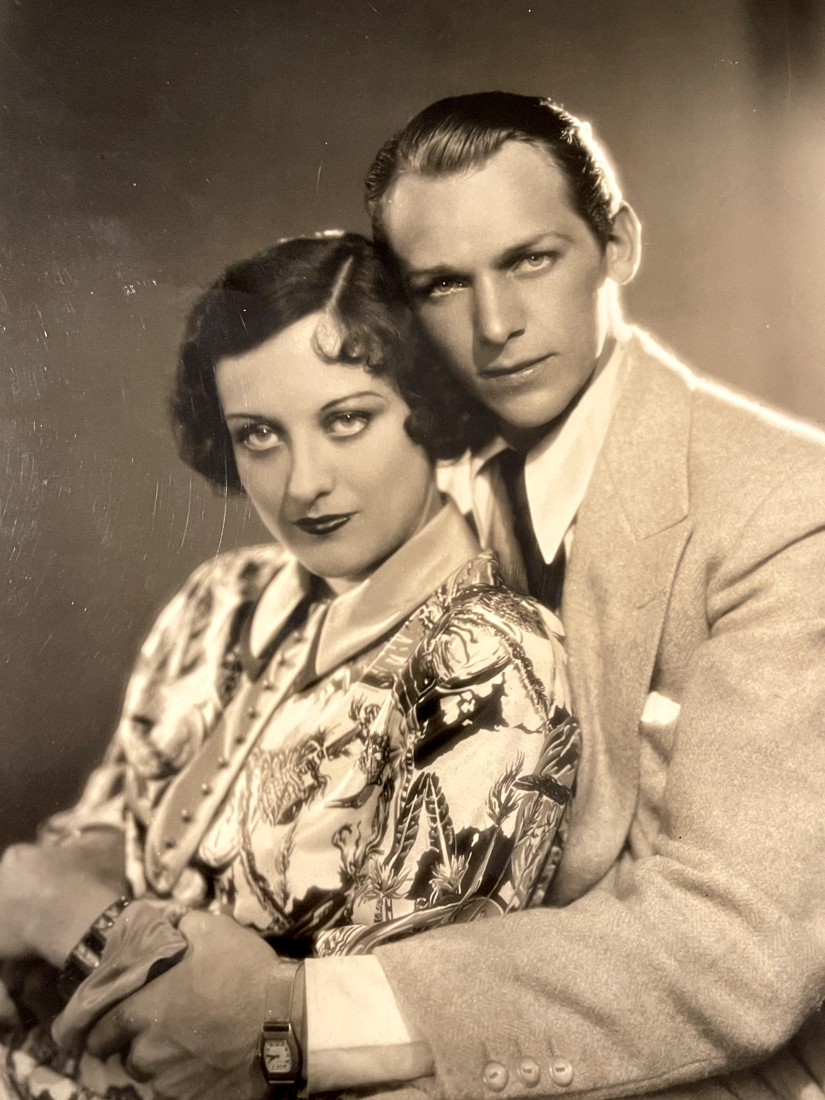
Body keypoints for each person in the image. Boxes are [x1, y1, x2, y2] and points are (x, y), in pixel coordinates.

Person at [260, 93, 825, 1100]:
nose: (496, 325)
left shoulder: (784, 508)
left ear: (619, 245)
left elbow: (739, 951)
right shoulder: (407, 494)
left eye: (532, 259)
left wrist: (302, 1016)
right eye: (442, 284)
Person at [0, 231, 580, 1100]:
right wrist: (75, 865)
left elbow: (372, 1030)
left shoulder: (489, 657)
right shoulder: (219, 596)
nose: (303, 481)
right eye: (260, 434)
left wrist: (57, 911)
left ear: (430, 408)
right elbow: (104, 822)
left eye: (347, 419)